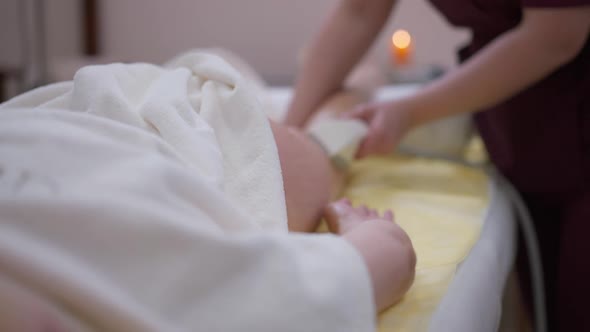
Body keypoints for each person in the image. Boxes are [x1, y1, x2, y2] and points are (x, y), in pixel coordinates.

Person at [285, 0, 589, 330]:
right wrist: (291, 129)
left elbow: (558, 33)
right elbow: (359, 12)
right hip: (526, 130)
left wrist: (410, 112)